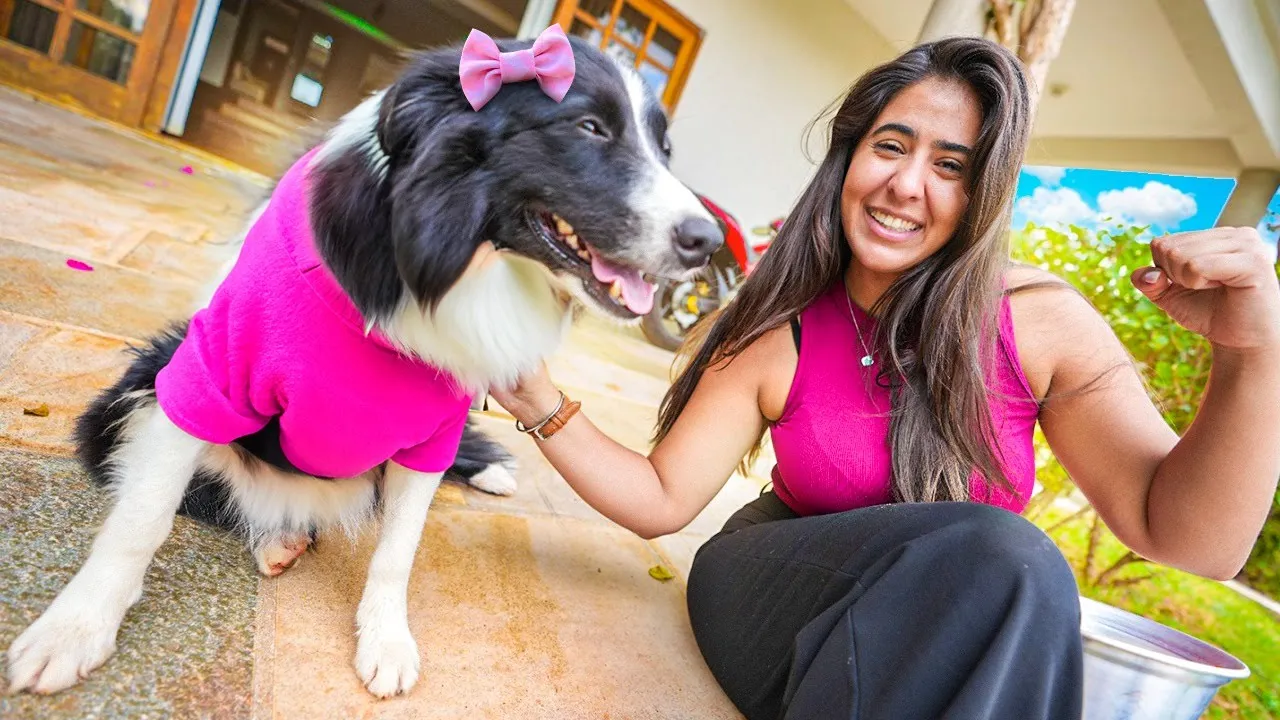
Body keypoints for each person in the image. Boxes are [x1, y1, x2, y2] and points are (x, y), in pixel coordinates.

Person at [491, 36, 1280, 720]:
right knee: (1011, 558)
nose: (907, 185)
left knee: (1009, 587)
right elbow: (662, 497)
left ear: (981, 196)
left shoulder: (1039, 321)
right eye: (892, 146)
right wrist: (539, 400)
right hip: (772, 593)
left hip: (928, 641)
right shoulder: (783, 329)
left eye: (951, 166)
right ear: (849, 157)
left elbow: (1192, 541)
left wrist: (1252, 351)